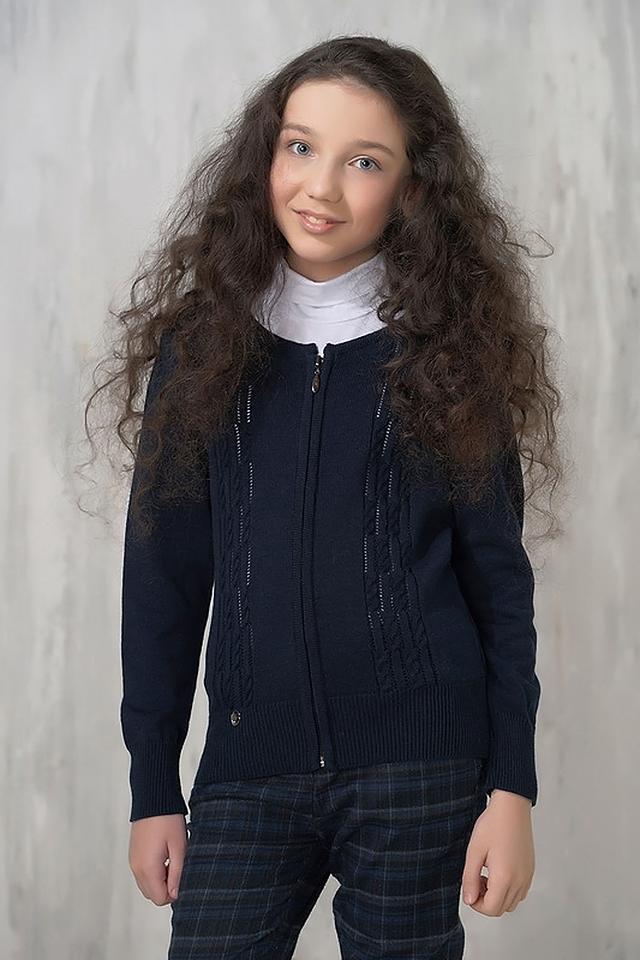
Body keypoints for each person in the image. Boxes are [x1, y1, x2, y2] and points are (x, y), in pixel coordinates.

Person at [88, 34, 562, 959]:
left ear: (413, 190)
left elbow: (499, 583)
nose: (322, 188)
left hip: (421, 770)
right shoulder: (203, 351)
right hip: (248, 768)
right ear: (264, 155)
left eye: (365, 162)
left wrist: (512, 786)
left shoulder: (448, 355)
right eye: (300, 147)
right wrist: (154, 785)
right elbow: (162, 580)